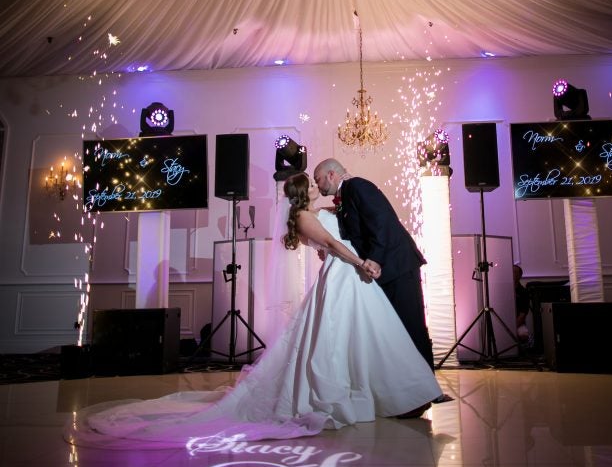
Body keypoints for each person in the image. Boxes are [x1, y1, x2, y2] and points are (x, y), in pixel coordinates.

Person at [66, 173, 444, 450]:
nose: (318, 186)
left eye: (318, 181)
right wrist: (361, 261)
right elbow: (331, 244)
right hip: (346, 273)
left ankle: (383, 391)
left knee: (361, 337)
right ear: (303, 193)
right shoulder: (306, 217)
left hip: (346, 278)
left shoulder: (314, 212)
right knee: (342, 339)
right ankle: (362, 392)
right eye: (312, 184)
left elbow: (331, 237)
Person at [313, 158, 435, 371]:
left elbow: (382, 221)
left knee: (411, 325)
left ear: (331, 175)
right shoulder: (346, 194)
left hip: (397, 265)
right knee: (394, 329)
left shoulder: (357, 186)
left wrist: (376, 258)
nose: (317, 184)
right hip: (381, 271)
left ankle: (428, 382)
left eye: (318, 179)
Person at [514, 263, 531, 344]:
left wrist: (513, 327)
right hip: (502, 322)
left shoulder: (524, 292)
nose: (512, 274)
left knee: (523, 334)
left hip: (518, 323)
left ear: (520, 276)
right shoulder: (502, 290)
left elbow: (523, 314)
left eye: (515, 272)